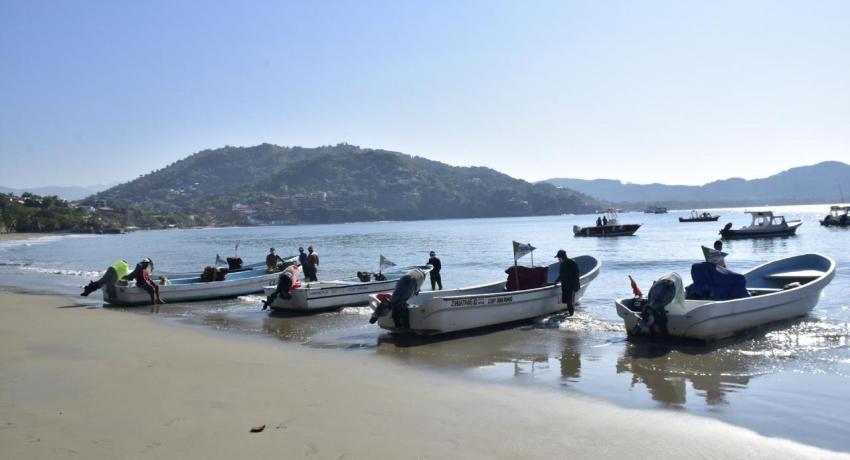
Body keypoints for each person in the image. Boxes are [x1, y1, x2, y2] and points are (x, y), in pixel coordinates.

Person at [553, 249, 580, 316]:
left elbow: (576, 274)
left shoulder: (572, 262)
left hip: (571, 285)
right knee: (568, 301)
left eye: (559, 257)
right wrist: (556, 281)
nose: (558, 259)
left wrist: (576, 285)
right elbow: (561, 275)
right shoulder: (562, 264)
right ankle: (570, 314)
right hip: (565, 285)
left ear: (562, 256)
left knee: (570, 301)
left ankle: (571, 315)